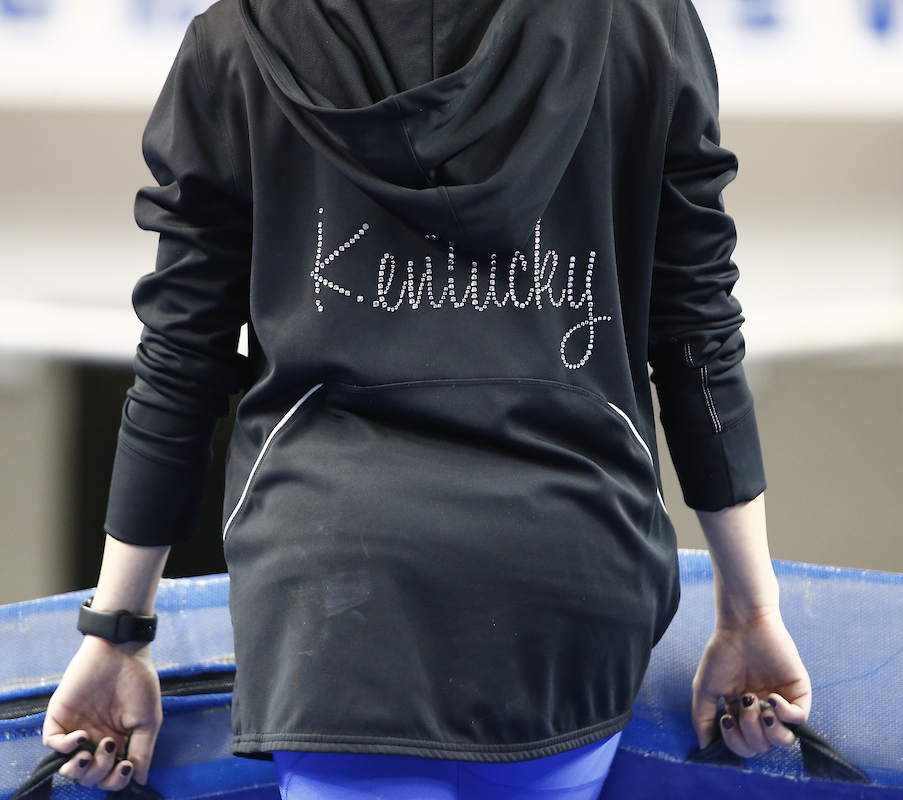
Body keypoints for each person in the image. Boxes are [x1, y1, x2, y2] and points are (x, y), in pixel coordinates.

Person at [43, 0, 813, 796]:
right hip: (566, 568)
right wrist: (750, 611)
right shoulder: (641, 22)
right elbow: (696, 336)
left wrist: (118, 631)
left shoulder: (235, 40)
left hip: (336, 594)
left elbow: (182, 359)